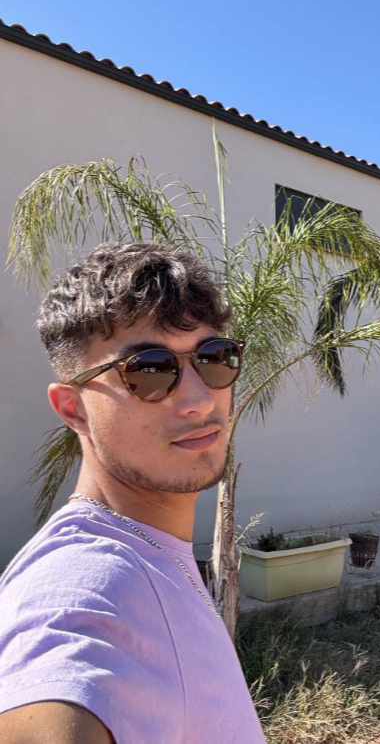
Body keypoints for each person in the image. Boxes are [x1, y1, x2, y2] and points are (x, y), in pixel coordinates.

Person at [0, 243, 267, 744]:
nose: (199, 399)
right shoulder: (86, 586)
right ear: (73, 409)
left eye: (214, 358)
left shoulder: (152, 553)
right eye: (149, 370)